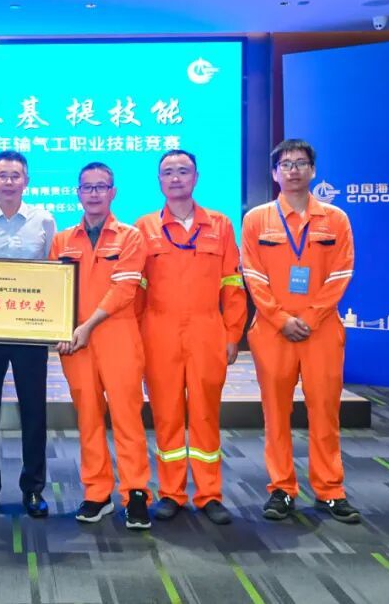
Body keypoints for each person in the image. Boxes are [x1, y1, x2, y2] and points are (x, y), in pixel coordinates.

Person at [241, 139, 361, 524]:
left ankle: (330, 490)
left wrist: (309, 317)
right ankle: (281, 489)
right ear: (274, 173)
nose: (293, 170)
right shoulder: (257, 219)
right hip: (272, 331)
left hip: (320, 330)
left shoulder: (335, 219)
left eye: (301, 163)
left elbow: (341, 273)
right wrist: (281, 319)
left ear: (313, 170)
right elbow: (253, 275)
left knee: (324, 411)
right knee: (275, 414)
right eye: (286, 164)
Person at [134, 150, 247, 525]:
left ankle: (209, 493)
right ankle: (171, 492)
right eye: (168, 172)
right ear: (159, 181)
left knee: (205, 413)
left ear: (196, 177)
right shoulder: (144, 227)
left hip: (206, 331)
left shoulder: (220, 224)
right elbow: (137, 290)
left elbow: (232, 283)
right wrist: (135, 337)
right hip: (159, 332)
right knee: (166, 414)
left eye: (183, 171)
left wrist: (233, 333)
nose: (176, 178)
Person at [49, 162, 152, 530]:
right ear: (78, 193)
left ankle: (136, 493)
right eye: (87, 187)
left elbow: (124, 289)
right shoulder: (62, 240)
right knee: (89, 417)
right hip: (75, 342)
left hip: (117, 336)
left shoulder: (130, 237)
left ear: (113, 192)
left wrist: (87, 325)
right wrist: (60, 328)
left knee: (127, 417)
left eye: (101, 187)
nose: (94, 194)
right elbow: (54, 291)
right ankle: (97, 492)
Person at [0, 151, 56, 519]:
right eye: (1, 175)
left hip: (29, 333)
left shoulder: (44, 220)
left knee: (34, 411)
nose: (8, 181)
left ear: (26, 181)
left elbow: (52, 274)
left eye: (15, 175)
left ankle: (33, 489)